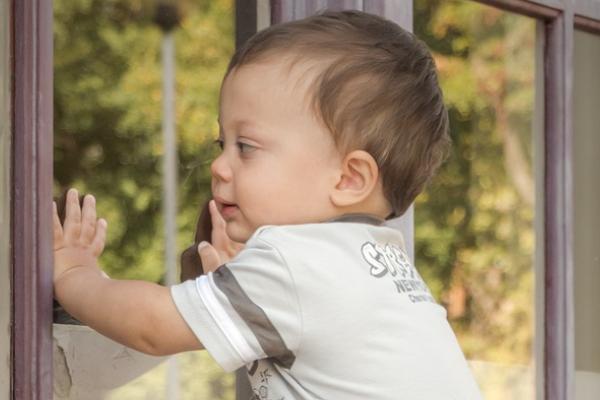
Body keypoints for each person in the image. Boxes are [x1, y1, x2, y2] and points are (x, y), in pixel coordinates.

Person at [53, 10, 482, 399]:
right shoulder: (381, 265)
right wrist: (228, 279)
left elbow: (152, 328)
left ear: (349, 178)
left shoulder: (294, 264)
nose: (219, 166)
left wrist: (74, 273)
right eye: (223, 144)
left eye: (247, 147)